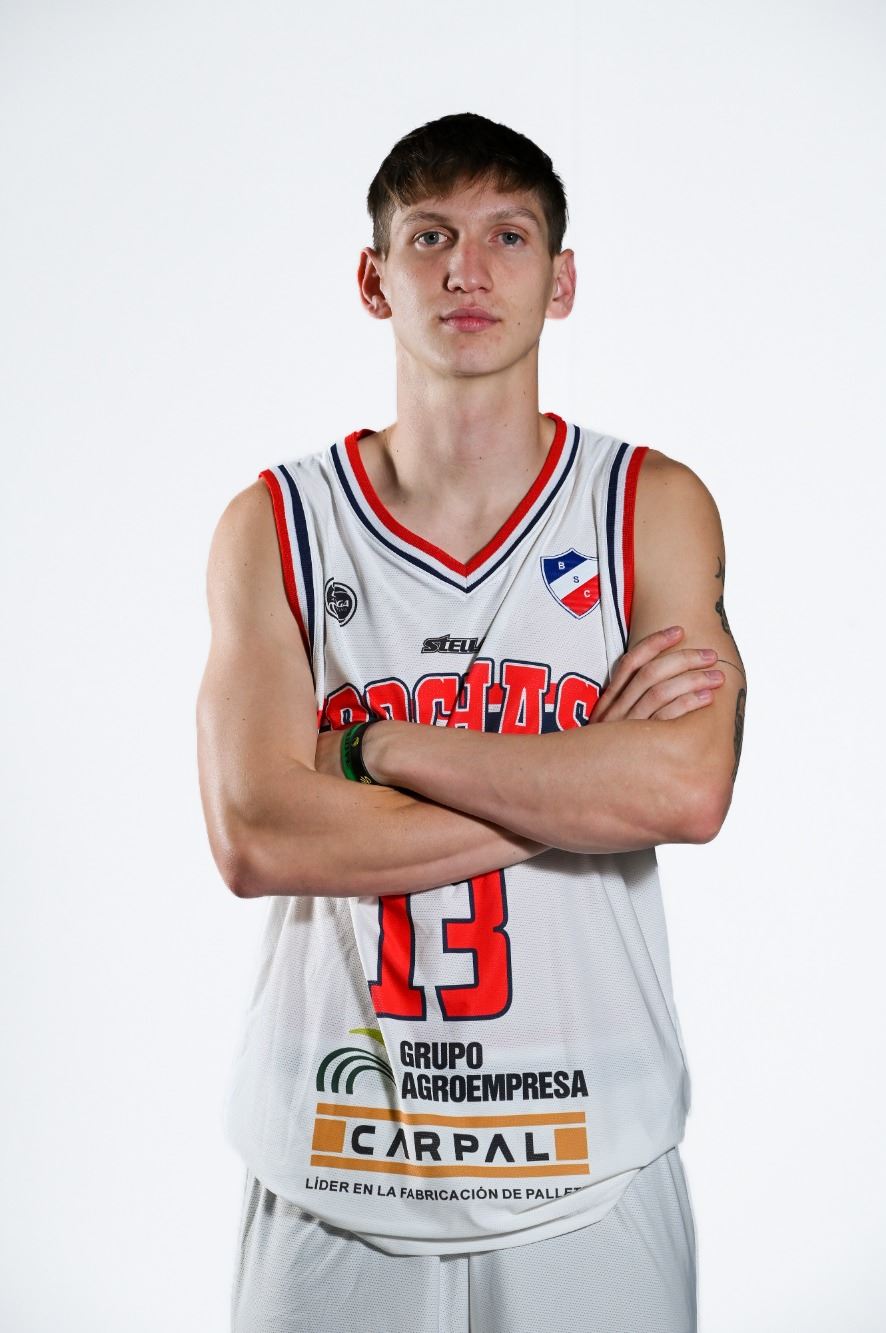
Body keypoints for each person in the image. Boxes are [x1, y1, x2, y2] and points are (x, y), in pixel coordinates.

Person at [197, 111, 747, 1333]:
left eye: (507, 236)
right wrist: (580, 783)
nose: (465, 269)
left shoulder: (646, 505)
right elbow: (255, 835)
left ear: (561, 281)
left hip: (589, 1159)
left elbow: (685, 790)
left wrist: (372, 748)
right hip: (332, 1158)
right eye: (429, 236)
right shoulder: (277, 524)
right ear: (372, 279)